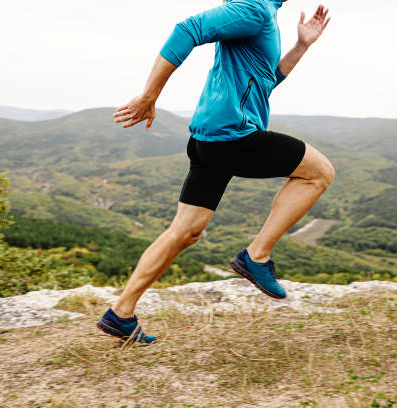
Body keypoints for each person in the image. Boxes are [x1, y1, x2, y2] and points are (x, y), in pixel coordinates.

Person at [97, 0, 335, 345]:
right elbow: (187, 29)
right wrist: (150, 96)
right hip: (235, 136)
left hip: (209, 138)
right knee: (319, 173)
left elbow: (267, 80)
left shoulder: (262, 14)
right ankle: (257, 256)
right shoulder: (254, 8)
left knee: (185, 231)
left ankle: (120, 313)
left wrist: (301, 45)